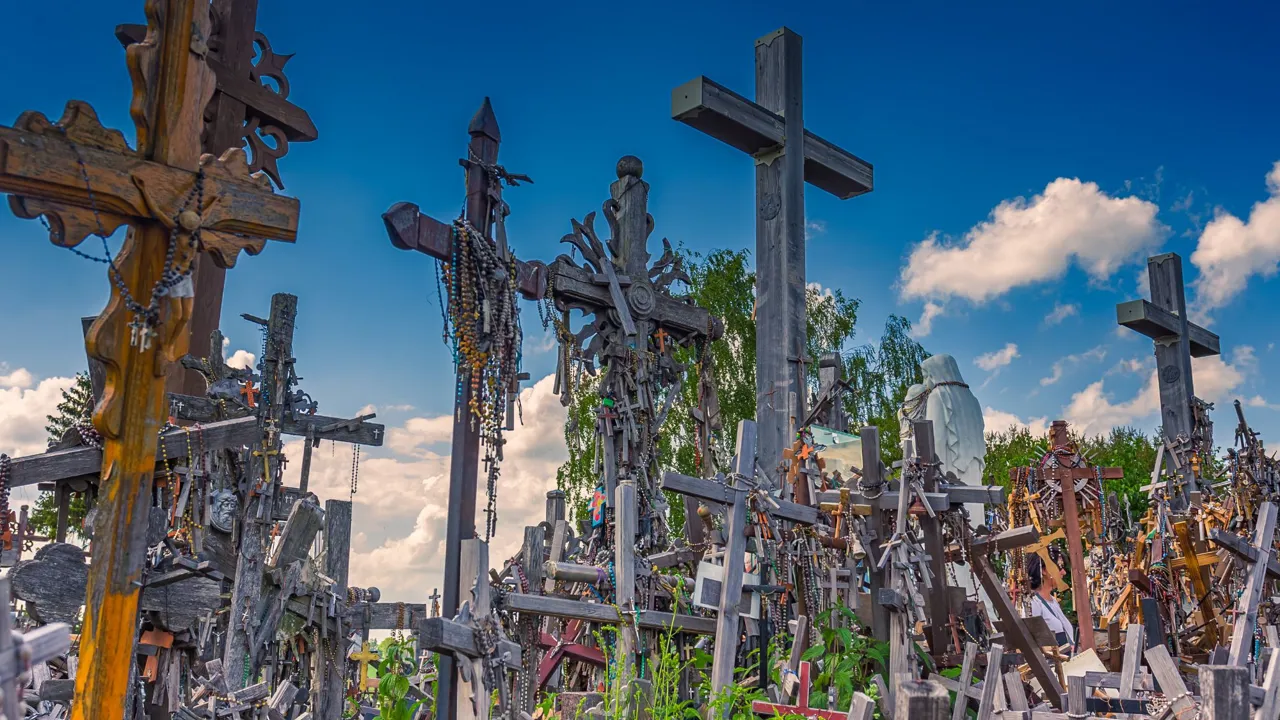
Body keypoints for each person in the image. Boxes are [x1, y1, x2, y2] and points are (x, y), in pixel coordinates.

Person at [1026, 553, 1075, 656]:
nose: (1063, 572)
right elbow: (1034, 644)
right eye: (1059, 567)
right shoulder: (1033, 603)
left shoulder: (1052, 600)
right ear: (1044, 570)